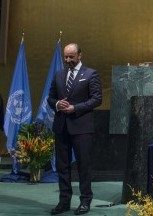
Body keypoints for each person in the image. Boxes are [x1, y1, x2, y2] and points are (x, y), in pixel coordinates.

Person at [48, 43, 102, 215]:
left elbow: (97, 99)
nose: (68, 60)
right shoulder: (58, 74)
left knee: (83, 166)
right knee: (62, 166)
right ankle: (64, 202)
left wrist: (75, 108)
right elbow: (50, 98)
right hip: (61, 127)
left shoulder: (91, 74)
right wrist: (57, 104)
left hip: (82, 128)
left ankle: (85, 201)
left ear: (80, 55)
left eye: (71, 56)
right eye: (66, 57)